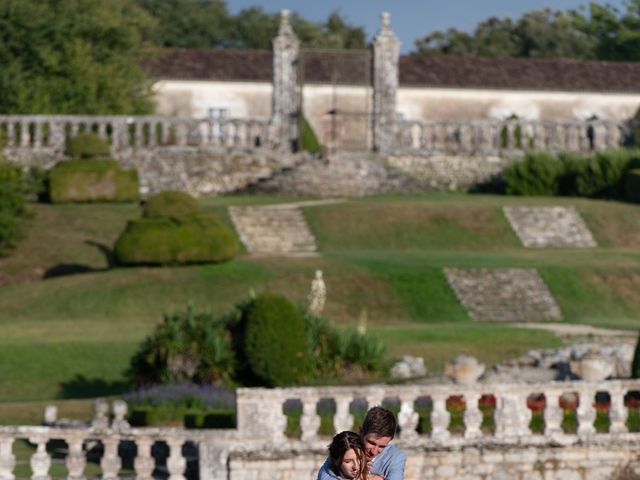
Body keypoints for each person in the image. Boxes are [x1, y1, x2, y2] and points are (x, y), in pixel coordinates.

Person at [317, 406, 406, 480]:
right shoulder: (348, 446)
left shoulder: (396, 457)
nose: (374, 452)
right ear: (360, 432)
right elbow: (324, 476)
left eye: (382, 446)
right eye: (371, 443)